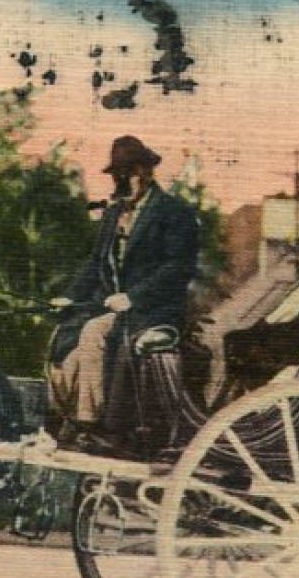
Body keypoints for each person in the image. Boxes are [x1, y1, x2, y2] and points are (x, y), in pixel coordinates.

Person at [49, 135, 200, 442]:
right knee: (63, 341)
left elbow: (177, 268)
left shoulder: (174, 213)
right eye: (118, 174)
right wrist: (69, 296)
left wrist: (133, 297)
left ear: (144, 172)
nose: (122, 181)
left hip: (155, 309)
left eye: (128, 173)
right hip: (112, 309)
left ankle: (92, 426)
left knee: (94, 334)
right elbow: (95, 262)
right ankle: (63, 416)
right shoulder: (113, 214)